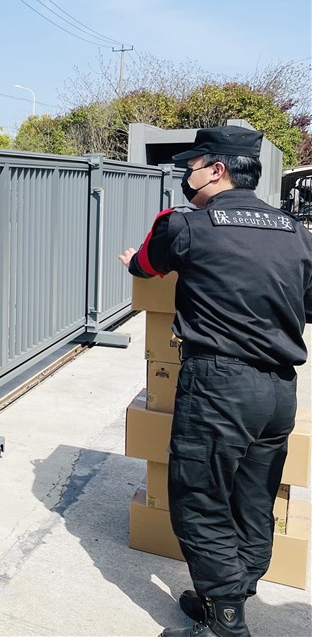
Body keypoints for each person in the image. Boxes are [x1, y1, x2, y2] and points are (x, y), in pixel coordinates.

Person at [119, 125, 312, 637]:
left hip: (219, 386)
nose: (186, 177)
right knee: (253, 498)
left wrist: (136, 263)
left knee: (199, 497)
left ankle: (226, 620)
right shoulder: (296, 232)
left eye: (192, 168)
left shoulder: (185, 226)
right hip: (279, 389)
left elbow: (145, 266)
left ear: (217, 170)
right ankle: (229, 593)